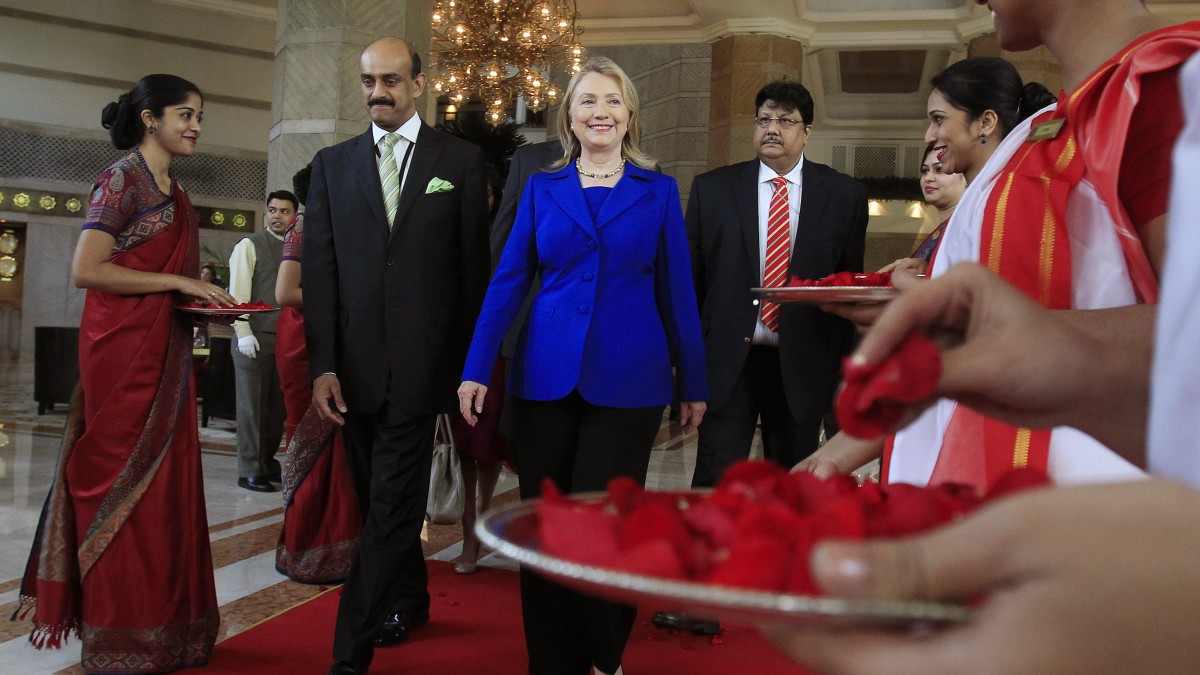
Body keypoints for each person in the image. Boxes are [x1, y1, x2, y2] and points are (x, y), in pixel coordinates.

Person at [765, 58, 1200, 672]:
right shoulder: (1011, 176)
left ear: (987, 123)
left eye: (940, 119)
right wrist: (836, 454)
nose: (928, 138)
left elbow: (1007, 352)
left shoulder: (1053, 158)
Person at [457, 56, 708, 675]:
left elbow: (678, 292)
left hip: (630, 381)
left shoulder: (657, 192)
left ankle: (605, 656)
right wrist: (476, 366)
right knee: (544, 525)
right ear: (570, 116)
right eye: (588, 101)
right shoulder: (545, 188)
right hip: (544, 376)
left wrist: (694, 380)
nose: (601, 112)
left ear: (630, 117)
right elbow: (509, 281)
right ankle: (553, 661)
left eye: (614, 101)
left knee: (604, 525)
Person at [16, 74, 232, 673]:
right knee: (117, 484)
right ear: (149, 119)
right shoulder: (120, 181)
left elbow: (171, 279)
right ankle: (118, 634)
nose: (194, 126)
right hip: (121, 355)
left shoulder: (178, 192)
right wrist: (178, 282)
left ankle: (166, 629)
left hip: (167, 350)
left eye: (199, 117)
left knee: (165, 492)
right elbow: (88, 269)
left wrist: (206, 299)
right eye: (184, 115)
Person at [302, 37, 490, 675]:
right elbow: (321, 276)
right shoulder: (331, 165)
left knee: (390, 509)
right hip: (351, 374)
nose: (376, 92)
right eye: (366, 81)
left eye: (389, 80)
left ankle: (348, 652)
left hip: (422, 369)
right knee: (378, 502)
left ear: (419, 83)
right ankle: (408, 597)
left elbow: (473, 276)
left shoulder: (460, 163)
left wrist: (471, 368)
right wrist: (322, 365)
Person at [685, 79, 868, 490]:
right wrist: (687, 367)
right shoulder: (712, 190)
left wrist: (844, 378)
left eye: (786, 120)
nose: (772, 128)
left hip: (803, 362)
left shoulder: (844, 195)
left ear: (807, 132)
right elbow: (692, 284)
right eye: (765, 119)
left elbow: (847, 292)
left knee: (794, 482)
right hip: (729, 362)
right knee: (717, 480)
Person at [273, 164, 362, 584]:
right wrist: (347, 298)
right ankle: (308, 544)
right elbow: (285, 292)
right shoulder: (304, 228)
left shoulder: (333, 227)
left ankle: (339, 542)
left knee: (338, 448)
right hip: (303, 342)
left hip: (328, 338)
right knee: (310, 439)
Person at [447, 165, 509, 576]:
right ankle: (470, 532)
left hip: (498, 352)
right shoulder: (446, 235)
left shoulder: (506, 235)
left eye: (487, 192)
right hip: (455, 349)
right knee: (462, 445)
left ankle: (483, 520)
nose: (480, 199)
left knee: (489, 442)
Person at [228, 190, 294, 492]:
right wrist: (243, 332)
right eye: (272, 210)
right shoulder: (250, 245)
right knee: (251, 407)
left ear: (294, 216)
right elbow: (238, 292)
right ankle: (249, 469)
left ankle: (266, 464)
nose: (277, 216)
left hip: (285, 339)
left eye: (283, 211)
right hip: (253, 337)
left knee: (275, 408)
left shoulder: (296, 248)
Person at [878, 142, 966, 275]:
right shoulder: (946, 228)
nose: (928, 178)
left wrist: (925, 269)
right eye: (925, 171)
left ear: (966, 177)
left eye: (939, 170)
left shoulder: (967, 228)